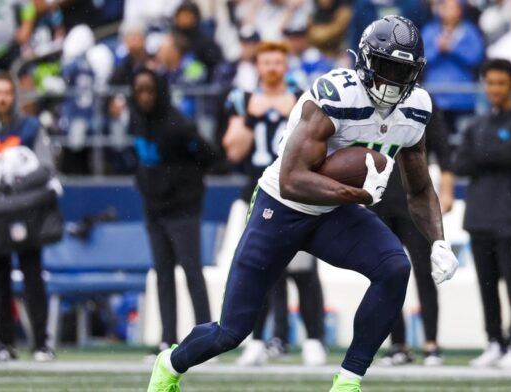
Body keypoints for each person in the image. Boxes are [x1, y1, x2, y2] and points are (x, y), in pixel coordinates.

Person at [147, 16, 459, 392]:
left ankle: (348, 381)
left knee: (394, 268)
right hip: (280, 206)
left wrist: (438, 241)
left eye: (402, 71)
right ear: (363, 61)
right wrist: (357, 195)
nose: (392, 81)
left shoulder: (416, 109)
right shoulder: (337, 94)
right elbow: (293, 180)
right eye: (386, 67)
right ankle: (170, 364)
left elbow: (420, 189)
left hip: (332, 213)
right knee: (231, 331)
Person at [222, 41, 326, 366]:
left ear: (286, 65)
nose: (271, 67)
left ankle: (313, 340)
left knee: (304, 271)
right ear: (257, 66)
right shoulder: (243, 101)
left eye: (277, 61)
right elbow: (233, 150)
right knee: (259, 269)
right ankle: (256, 339)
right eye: (265, 61)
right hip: (260, 193)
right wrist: (254, 118)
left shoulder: (303, 100)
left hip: (296, 194)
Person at [454, 58, 511, 369]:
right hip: (479, 217)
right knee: (486, 286)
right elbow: (460, 164)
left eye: (501, 83)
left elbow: (508, 154)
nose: (495, 89)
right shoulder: (477, 124)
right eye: (490, 83)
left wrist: (481, 154)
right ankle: (494, 341)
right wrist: (486, 154)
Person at [129, 68, 214, 355]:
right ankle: (168, 338)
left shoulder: (179, 125)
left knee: (192, 271)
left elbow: (209, 156)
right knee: (163, 273)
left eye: (149, 90)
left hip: (183, 208)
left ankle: (205, 336)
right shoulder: (136, 120)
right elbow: (138, 161)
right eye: (139, 90)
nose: (144, 97)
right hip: (153, 208)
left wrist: (183, 186)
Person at [0, 73, 54, 362]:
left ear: (15, 96)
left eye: (7, 93)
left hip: (25, 212)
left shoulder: (31, 127)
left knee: (32, 274)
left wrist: (14, 179)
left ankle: (41, 343)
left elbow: (45, 168)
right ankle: (4, 342)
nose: (2, 98)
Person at [372, 106, 453, 367]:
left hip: (413, 199)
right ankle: (398, 343)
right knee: (386, 275)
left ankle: (431, 343)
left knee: (423, 273)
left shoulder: (423, 104)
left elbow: (442, 149)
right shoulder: (369, 103)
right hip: (379, 198)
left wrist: (447, 190)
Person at [421, 0, 485, 136]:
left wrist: (453, 48)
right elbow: (421, 58)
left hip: (463, 98)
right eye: (444, 6)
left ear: (461, 10)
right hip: (435, 98)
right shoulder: (429, 30)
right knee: (436, 140)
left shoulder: (470, 31)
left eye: (453, 7)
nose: (448, 11)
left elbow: (476, 57)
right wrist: (437, 49)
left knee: (464, 139)